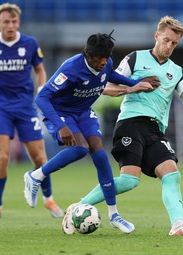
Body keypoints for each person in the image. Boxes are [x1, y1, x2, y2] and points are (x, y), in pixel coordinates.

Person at [62, 16, 183, 236]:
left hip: (155, 130)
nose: (169, 46)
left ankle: (178, 225)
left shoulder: (177, 72)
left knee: (172, 174)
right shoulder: (135, 59)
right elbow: (104, 86)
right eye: (166, 40)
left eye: (174, 43)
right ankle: (78, 206)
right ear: (157, 36)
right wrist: (134, 88)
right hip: (130, 124)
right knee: (129, 181)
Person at [23, 31, 160, 234]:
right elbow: (42, 98)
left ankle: (114, 215)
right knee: (80, 149)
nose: (104, 62)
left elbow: (111, 76)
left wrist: (136, 82)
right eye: (99, 58)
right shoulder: (70, 69)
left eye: (107, 57)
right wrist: (61, 126)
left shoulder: (106, 62)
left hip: (83, 112)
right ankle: (35, 176)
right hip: (61, 112)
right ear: (88, 54)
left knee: (100, 155)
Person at [0, 3, 63, 220]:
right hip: (0, 109)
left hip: (25, 108)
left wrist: (42, 91)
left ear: (18, 22)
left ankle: (49, 200)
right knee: (2, 157)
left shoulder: (30, 44)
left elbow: (40, 71)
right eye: (6, 22)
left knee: (39, 158)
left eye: (14, 22)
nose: (10, 25)